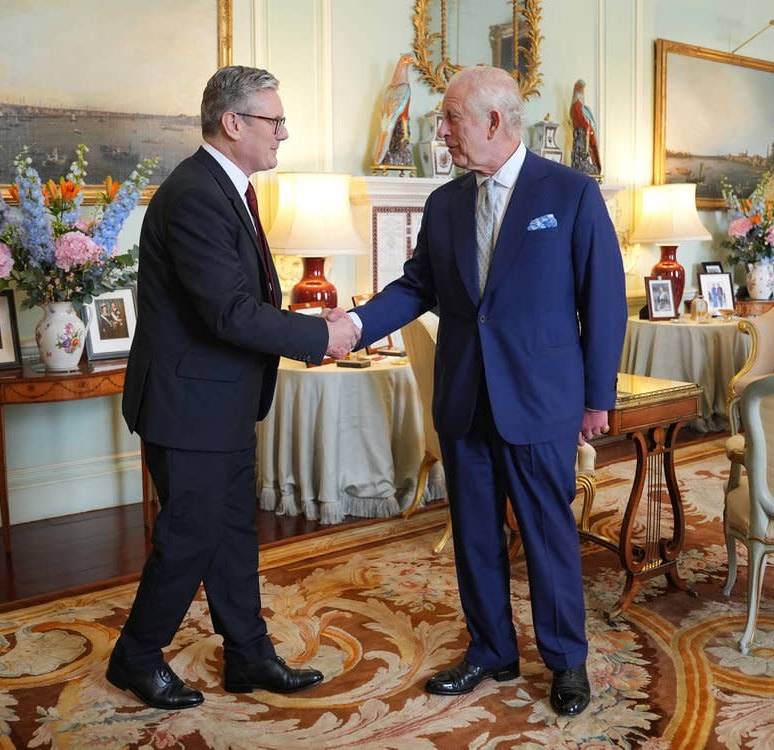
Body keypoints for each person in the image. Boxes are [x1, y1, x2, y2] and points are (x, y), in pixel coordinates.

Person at [337, 66, 627, 717]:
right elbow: (416, 287)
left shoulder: (573, 193)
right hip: (465, 398)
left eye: (450, 119)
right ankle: (491, 648)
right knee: (473, 532)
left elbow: (602, 302)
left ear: (495, 122)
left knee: (548, 533)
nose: (440, 132)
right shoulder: (443, 204)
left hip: (541, 399)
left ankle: (565, 659)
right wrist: (352, 325)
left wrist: (597, 395)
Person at [109, 65, 359, 711]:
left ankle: (247, 656)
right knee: (189, 536)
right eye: (274, 121)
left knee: (231, 533)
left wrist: (309, 327)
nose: (284, 133)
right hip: (189, 405)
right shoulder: (196, 193)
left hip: (220, 401)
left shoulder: (226, 189)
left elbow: (242, 301)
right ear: (234, 122)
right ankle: (134, 658)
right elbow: (227, 312)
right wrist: (317, 336)